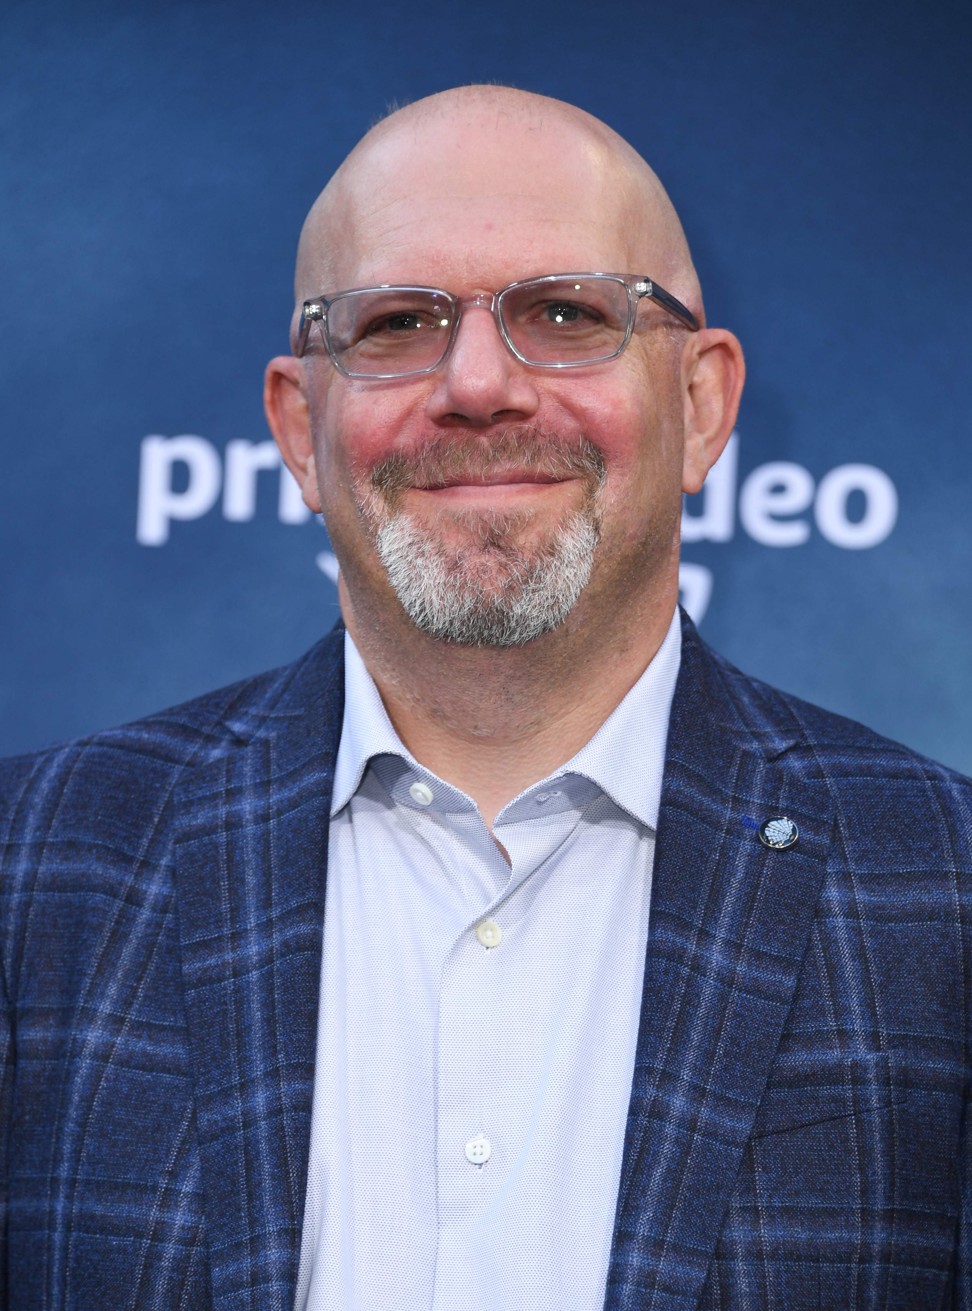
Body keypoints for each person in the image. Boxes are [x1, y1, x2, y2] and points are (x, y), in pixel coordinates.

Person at [1, 85, 969, 1311]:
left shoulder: (944, 886)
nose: (475, 385)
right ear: (300, 430)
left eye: (564, 313)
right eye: (398, 323)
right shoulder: (35, 869)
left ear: (700, 405)